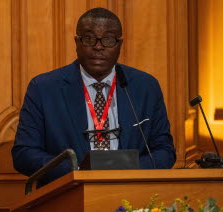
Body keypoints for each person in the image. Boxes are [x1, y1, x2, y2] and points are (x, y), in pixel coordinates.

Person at [12, 8, 176, 186]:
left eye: (108, 39)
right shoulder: (43, 88)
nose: (98, 46)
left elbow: (164, 151)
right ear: (77, 42)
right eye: (89, 38)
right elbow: (24, 153)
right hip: (68, 193)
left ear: (119, 44)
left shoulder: (146, 87)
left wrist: (126, 169)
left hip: (131, 192)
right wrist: (78, 171)